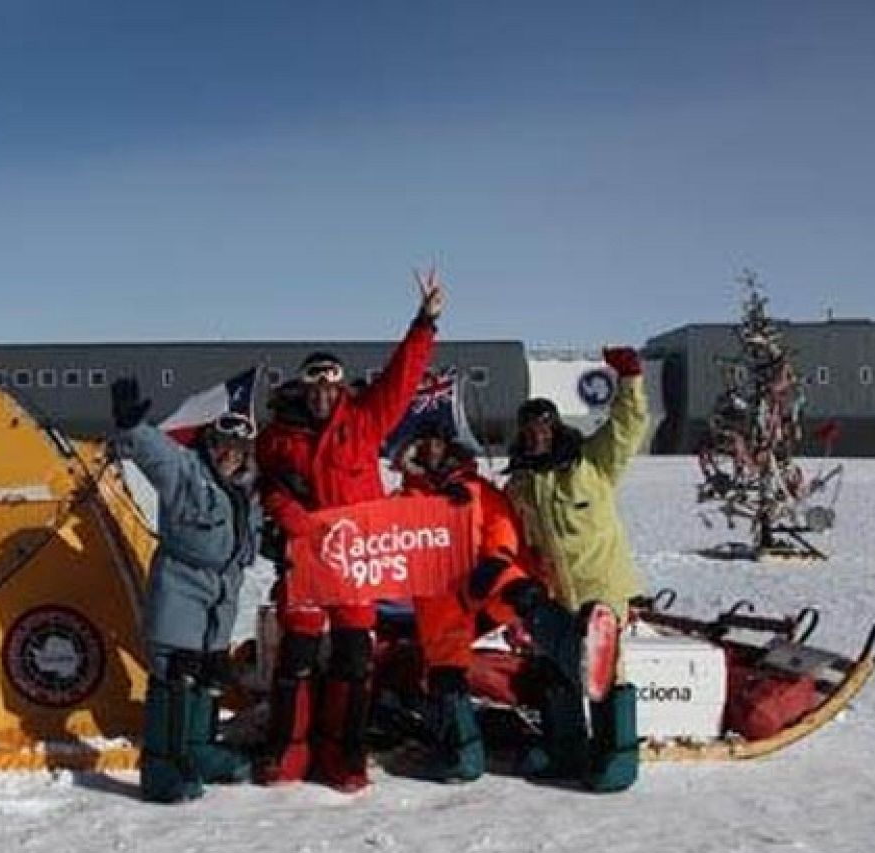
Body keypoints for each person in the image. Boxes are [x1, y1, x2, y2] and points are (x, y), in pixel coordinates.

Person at [255, 269, 445, 792]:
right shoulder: (279, 435)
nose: (323, 391)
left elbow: (402, 378)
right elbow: (268, 486)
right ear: (304, 385)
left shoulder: (364, 420)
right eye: (315, 381)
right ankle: (287, 755)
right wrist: (294, 521)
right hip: (307, 563)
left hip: (356, 565)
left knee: (353, 662)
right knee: (295, 659)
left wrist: (424, 323)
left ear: (340, 386)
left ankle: (343, 757)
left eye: (331, 381)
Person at [502, 345, 649, 793]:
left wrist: (630, 378)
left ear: (556, 426)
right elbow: (516, 542)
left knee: (607, 671)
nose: (537, 435)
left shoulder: (592, 463)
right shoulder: (520, 484)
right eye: (529, 429)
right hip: (554, 596)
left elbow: (628, 426)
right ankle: (565, 751)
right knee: (558, 674)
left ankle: (616, 758)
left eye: (544, 426)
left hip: (601, 590)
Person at [110, 376, 261, 803]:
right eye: (221, 445)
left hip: (221, 597)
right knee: (176, 675)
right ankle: (161, 769)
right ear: (209, 444)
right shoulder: (187, 474)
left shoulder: (246, 492)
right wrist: (133, 427)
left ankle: (199, 750)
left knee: (209, 674)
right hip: (181, 589)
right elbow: (156, 456)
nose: (228, 455)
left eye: (238, 449)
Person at [392, 419, 533, 782]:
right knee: (445, 669)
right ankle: (463, 752)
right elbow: (382, 537)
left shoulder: (475, 487)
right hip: (438, 595)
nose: (430, 449)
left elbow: (501, 526)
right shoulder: (407, 496)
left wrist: (496, 559)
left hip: (481, 586)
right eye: (422, 443)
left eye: (436, 441)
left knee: (519, 598)